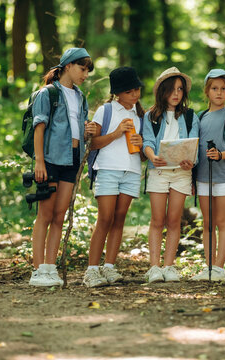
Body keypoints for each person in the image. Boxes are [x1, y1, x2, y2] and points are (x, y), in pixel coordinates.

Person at [29, 47, 97, 287]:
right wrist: (39, 161)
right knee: (45, 215)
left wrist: (88, 131)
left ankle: (50, 268)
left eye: (88, 71)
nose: (85, 75)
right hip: (49, 160)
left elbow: (78, 127)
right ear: (67, 65)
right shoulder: (47, 94)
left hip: (72, 160)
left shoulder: (80, 96)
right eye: (82, 69)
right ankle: (37, 270)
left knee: (59, 216)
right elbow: (40, 128)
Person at [83, 66, 145, 288]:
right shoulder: (106, 110)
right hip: (108, 169)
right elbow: (93, 144)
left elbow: (145, 153)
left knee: (119, 219)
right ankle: (91, 270)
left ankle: (109, 267)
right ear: (118, 92)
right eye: (129, 92)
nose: (135, 95)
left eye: (137, 89)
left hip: (132, 171)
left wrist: (142, 146)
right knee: (105, 218)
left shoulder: (141, 115)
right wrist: (117, 133)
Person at [142, 67, 200, 283]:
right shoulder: (151, 116)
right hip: (158, 171)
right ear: (162, 91)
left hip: (181, 174)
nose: (176, 94)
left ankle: (169, 266)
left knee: (174, 220)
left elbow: (194, 144)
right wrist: (151, 155)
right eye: (172, 89)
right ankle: (154, 267)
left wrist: (190, 161)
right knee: (157, 220)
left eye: (180, 90)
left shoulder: (190, 116)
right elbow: (147, 141)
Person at [191, 69, 225, 282]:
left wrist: (221, 155)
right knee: (207, 222)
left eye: (223, 89)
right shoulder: (199, 117)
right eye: (214, 88)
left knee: (222, 221)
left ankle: (220, 268)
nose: (219, 93)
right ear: (207, 91)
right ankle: (209, 267)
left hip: (224, 176)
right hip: (203, 176)